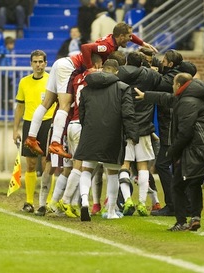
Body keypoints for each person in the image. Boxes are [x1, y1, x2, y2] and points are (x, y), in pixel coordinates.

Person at [24, 22, 157, 159]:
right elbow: (85, 47)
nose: (131, 39)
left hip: (61, 63)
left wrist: (142, 43)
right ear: (121, 36)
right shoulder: (107, 46)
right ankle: (56, 142)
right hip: (70, 66)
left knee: (46, 102)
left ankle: (31, 137)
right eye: (129, 37)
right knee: (64, 104)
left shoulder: (113, 38)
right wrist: (89, 68)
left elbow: (125, 35)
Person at [135, 72, 204, 231]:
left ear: (178, 85)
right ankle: (195, 218)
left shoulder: (187, 102)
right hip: (202, 149)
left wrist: (172, 151)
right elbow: (167, 98)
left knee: (177, 186)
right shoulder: (189, 97)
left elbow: (185, 132)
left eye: (173, 84)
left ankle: (181, 221)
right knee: (194, 184)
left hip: (194, 150)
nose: (172, 86)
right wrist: (146, 96)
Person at [74, 59, 138, 221]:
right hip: (113, 136)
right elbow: (128, 114)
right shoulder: (123, 88)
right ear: (117, 71)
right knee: (112, 174)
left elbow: (82, 114)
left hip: (90, 134)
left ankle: (84, 202)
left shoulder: (87, 89)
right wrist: (132, 135)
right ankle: (110, 211)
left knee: (86, 170)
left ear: (103, 69)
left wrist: (88, 128)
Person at [150, 49, 197, 217]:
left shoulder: (171, 78)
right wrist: (153, 62)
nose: (161, 63)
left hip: (170, 128)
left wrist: (148, 71)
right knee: (178, 167)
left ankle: (173, 204)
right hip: (171, 127)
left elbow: (160, 83)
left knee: (163, 164)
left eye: (163, 61)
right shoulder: (175, 73)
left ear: (170, 64)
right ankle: (187, 205)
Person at [58, 53, 103, 218]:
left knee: (78, 165)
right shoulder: (93, 77)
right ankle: (66, 200)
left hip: (72, 124)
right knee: (80, 166)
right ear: (97, 65)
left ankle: (71, 202)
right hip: (82, 125)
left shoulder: (76, 77)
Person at [117, 51, 162, 216]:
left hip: (125, 127)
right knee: (143, 166)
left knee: (125, 164)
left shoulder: (119, 73)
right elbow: (162, 80)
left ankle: (127, 199)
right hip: (144, 127)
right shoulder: (150, 76)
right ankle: (142, 203)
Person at [12, 50, 56, 213]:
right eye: (35, 62)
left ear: (45, 63)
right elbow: (20, 107)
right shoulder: (24, 82)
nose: (38, 64)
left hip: (47, 123)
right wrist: (15, 129)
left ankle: (48, 201)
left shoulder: (51, 80)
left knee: (47, 164)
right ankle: (29, 201)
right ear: (31, 64)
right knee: (30, 164)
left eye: (41, 61)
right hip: (30, 124)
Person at [0, 36, 16, 109]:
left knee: (10, 88)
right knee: (4, 89)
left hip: (11, 74)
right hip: (4, 73)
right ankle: (3, 103)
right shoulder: (3, 49)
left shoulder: (12, 52)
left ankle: (10, 102)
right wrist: (3, 53)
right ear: (7, 44)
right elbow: (0, 54)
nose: (12, 46)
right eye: (11, 44)